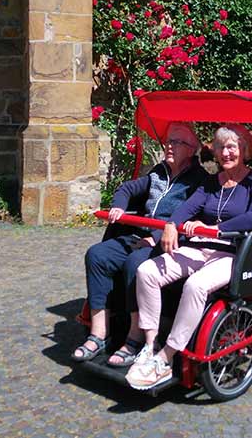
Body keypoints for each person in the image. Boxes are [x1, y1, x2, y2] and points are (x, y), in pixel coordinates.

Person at [125, 124, 252, 390]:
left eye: (231, 147)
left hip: (230, 252)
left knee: (196, 285)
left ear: (244, 150)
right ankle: (149, 344)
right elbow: (187, 207)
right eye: (220, 148)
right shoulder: (211, 182)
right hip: (199, 247)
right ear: (213, 152)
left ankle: (166, 357)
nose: (225, 153)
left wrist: (218, 228)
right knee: (147, 271)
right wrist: (171, 224)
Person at [73, 122, 208, 365]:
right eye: (169, 141)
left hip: (170, 242)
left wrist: (156, 237)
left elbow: (194, 216)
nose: (170, 146)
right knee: (97, 255)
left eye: (177, 142)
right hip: (140, 235)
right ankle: (99, 333)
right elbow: (127, 188)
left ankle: (135, 339)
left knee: (136, 263)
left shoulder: (199, 181)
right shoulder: (158, 172)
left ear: (191, 150)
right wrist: (119, 206)